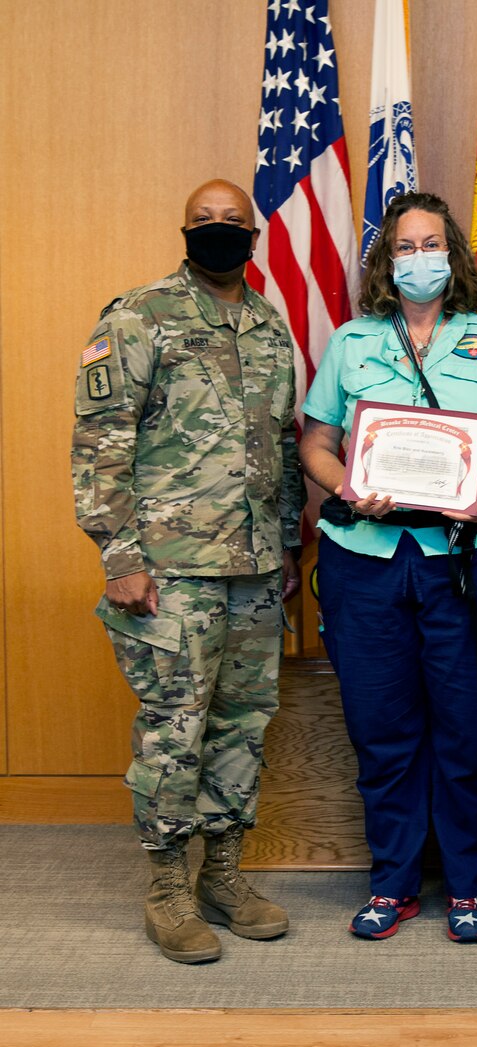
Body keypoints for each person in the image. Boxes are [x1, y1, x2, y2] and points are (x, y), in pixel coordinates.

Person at [72, 179, 304, 964]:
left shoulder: (271, 328)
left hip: (255, 571)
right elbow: (101, 443)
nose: (217, 232)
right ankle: (169, 889)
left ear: (255, 233)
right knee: (175, 730)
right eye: (204, 222)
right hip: (170, 573)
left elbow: (280, 448)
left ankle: (223, 877)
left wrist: (288, 550)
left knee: (242, 724)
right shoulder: (137, 316)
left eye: (231, 223)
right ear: (182, 230)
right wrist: (121, 556)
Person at [300, 192, 477, 943]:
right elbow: (316, 443)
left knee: (468, 728)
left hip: (471, 558)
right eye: (404, 248)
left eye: (430, 244)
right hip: (366, 559)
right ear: (385, 261)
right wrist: (346, 488)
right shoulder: (349, 342)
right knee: (382, 728)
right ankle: (394, 882)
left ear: (454, 255)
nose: (418, 259)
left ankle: (468, 884)